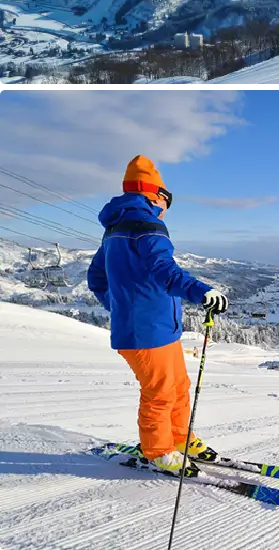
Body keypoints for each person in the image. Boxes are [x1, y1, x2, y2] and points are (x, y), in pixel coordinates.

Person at [87, 154, 229, 476]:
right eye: (167, 201)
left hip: (158, 328)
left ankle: (179, 438)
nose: (166, 209)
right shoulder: (149, 226)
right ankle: (159, 451)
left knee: (178, 386)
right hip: (147, 332)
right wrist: (202, 292)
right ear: (157, 195)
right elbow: (164, 271)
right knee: (161, 392)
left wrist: (120, 306)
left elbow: (96, 278)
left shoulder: (114, 230)